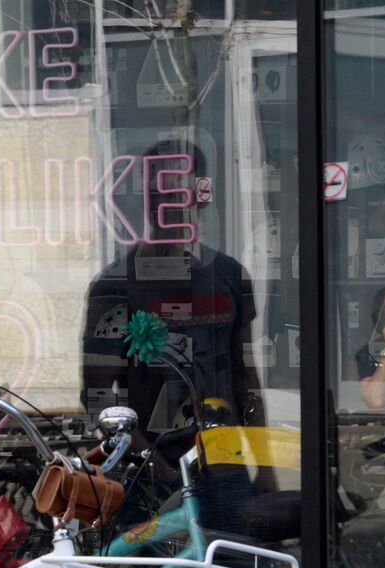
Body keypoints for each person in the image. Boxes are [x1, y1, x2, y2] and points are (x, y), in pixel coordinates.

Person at [81, 139, 259, 440]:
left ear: (202, 196)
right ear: (145, 202)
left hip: (223, 458)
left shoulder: (229, 276)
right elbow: (97, 396)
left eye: (183, 189)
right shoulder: (114, 286)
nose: (174, 202)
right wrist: (153, 466)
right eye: (162, 191)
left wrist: (264, 464)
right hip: (152, 470)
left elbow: (245, 379)